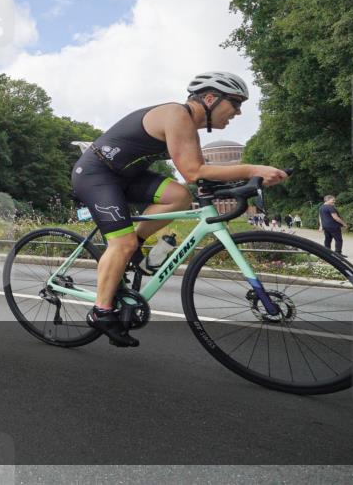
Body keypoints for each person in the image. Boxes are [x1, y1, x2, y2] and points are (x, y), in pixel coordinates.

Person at [71, 71, 288, 347]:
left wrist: (239, 182)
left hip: (126, 176)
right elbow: (194, 171)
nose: (238, 112)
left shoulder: (189, 128)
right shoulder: (176, 114)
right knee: (121, 244)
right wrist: (253, 169)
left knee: (179, 196)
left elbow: (199, 178)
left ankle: (135, 244)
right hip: (95, 174)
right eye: (235, 102)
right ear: (210, 98)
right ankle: (101, 312)